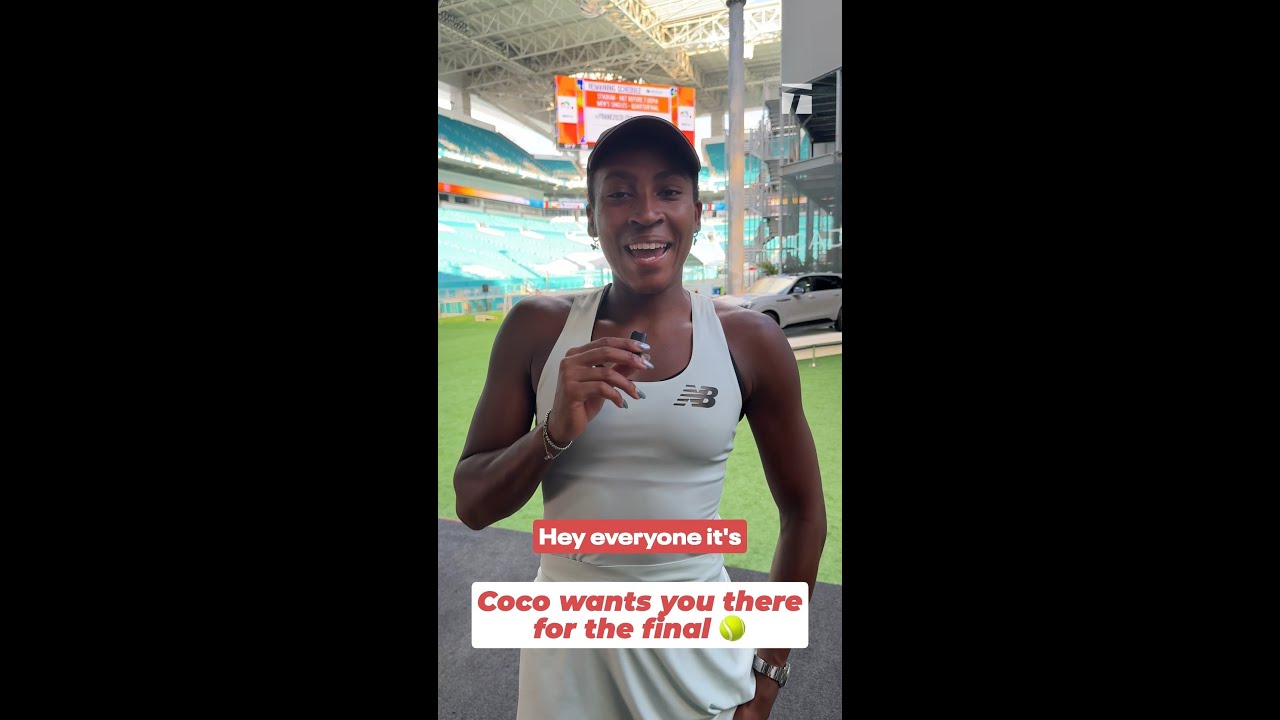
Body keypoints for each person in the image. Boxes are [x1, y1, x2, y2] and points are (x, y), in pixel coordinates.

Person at [454, 116, 827, 720]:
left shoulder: (751, 340)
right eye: (620, 193)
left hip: (700, 650)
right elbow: (472, 506)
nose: (646, 212)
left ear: (697, 214)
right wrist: (552, 433)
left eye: (669, 191)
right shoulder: (537, 328)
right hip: (567, 651)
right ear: (591, 216)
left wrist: (769, 672)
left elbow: (805, 514)